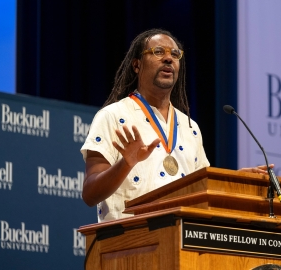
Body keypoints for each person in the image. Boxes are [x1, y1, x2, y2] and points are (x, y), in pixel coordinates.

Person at [81, 28, 270, 222]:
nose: (168, 58)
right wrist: (126, 163)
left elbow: (201, 190)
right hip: (130, 243)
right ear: (137, 65)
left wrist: (232, 181)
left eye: (175, 54)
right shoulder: (112, 116)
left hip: (182, 241)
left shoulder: (191, 128)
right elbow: (90, 194)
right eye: (158, 52)